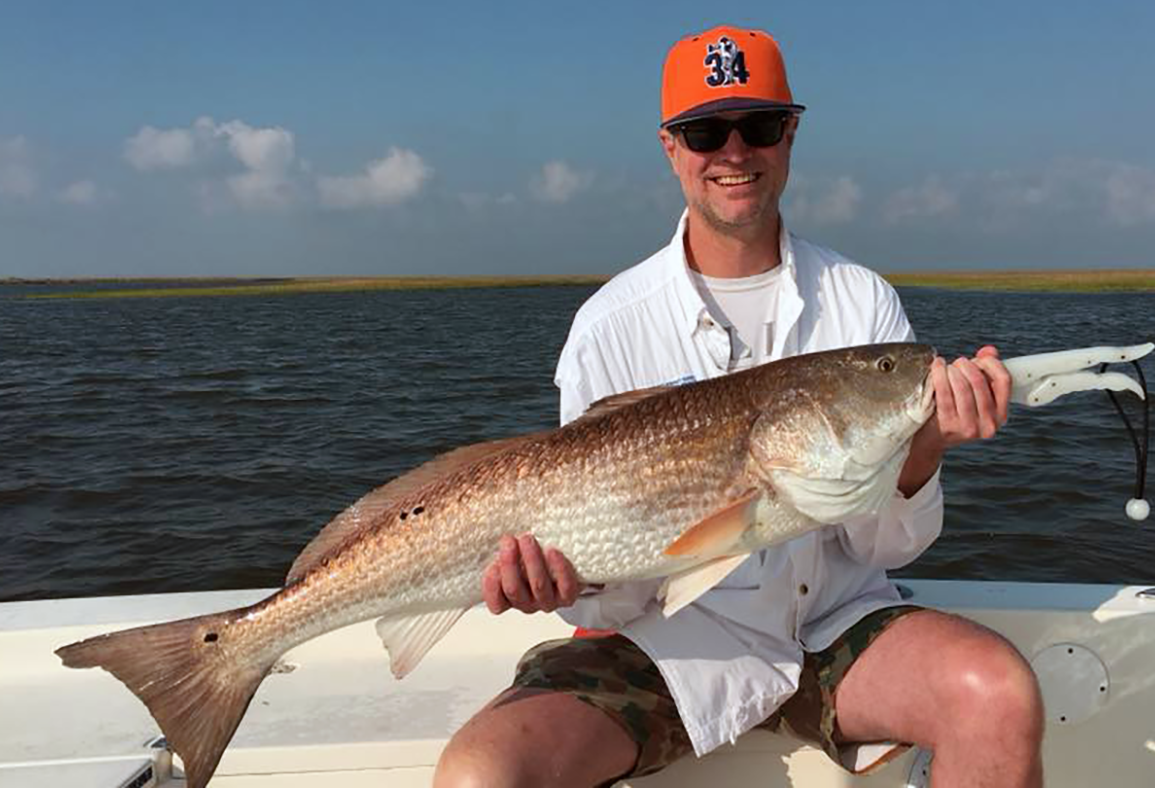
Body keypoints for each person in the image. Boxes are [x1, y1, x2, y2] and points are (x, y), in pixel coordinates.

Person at [435, 25, 1044, 788]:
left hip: (835, 625)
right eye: (703, 131)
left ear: (789, 135)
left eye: (757, 126)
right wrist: (560, 586)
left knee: (998, 695)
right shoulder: (610, 325)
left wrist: (924, 453)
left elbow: (887, 551)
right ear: (669, 147)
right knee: (481, 775)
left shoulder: (862, 303)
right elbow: (612, 588)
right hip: (663, 645)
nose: (733, 152)